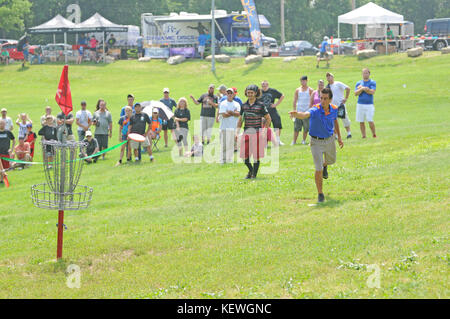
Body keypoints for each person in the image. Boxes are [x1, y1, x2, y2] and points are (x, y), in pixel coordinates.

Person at [289, 88, 344, 203]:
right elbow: (305, 114)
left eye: (325, 99)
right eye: (321, 98)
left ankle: (325, 165)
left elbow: (335, 122)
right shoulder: (315, 109)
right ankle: (320, 193)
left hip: (329, 140)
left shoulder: (334, 109)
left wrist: (339, 138)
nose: (322, 101)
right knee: (318, 169)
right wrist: (297, 114)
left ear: (330, 99)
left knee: (331, 161)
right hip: (316, 142)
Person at [236, 84, 272, 179]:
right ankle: (251, 171)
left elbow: (268, 119)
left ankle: (253, 175)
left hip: (257, 133)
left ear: (256, 93)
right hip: (246, 132)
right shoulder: (243, 105)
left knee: (256, 156)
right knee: (244, 156)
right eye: (248, 93)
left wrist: (264, 130)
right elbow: (240, 120)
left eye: (252, 93)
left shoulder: (260, 105)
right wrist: (237, 132)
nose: (250, 94)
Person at [326, 72, 352, 139]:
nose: (329, 77)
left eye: (330, 76)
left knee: (345, 118)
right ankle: (336, 135)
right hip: (332, 107)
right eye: (327, 76)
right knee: (334, 121)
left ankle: (349, 133)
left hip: (340, 105)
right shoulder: (327, 87)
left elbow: (348, 88)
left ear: (333, 77)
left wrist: (346, 98)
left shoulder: (338, 83)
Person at [219, 88, 241, 164]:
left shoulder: (236, 104)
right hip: (224, 127)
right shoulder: (223, 103)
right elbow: (224, 115)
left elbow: (238, 114)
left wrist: (230, 112)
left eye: (231, 93)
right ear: (226, 94)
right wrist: (233, 113)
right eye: (228, 93)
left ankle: (229, 160)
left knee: (231, 145)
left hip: (233, 127)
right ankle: (223, 160)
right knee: (224, 145)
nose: (230, 94)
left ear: (233, 94)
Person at [260, 80, 285, 146]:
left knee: (277, 123)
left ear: (268, 85)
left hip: (272, 111)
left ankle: (278, 140)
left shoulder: (272, 91)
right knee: (265, 127)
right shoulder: (259, 92)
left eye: (265, 86)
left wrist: (276, 104)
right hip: (263, 112)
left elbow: (282, 96)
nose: (264, 87)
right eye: (262, 86)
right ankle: (265, 143)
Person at [355, 68, 377, 138]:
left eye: (366, 73)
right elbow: (356, 93)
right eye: (364, 73)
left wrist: (362, 88)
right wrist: (364, 89)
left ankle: (374, 134)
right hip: (360, 104)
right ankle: (363, 135)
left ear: (369, 74)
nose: (365, 74)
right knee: (361, 121)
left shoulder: (372, 82)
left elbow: (372, 92)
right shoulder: (358, 83)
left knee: (370, 120)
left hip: (369, 104)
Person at [292, 76, 314, 145]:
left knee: (306, 128)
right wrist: (294, 110)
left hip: (306, 112)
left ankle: (303, 140)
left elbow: (312, 100)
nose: (303, 82)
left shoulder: (310, 90)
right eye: (302, 81)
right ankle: (294, 141)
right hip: (299, 111)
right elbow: (295, 100)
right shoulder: (297, 90)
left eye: (304, 81)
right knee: (296, 128)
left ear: (307, 81)